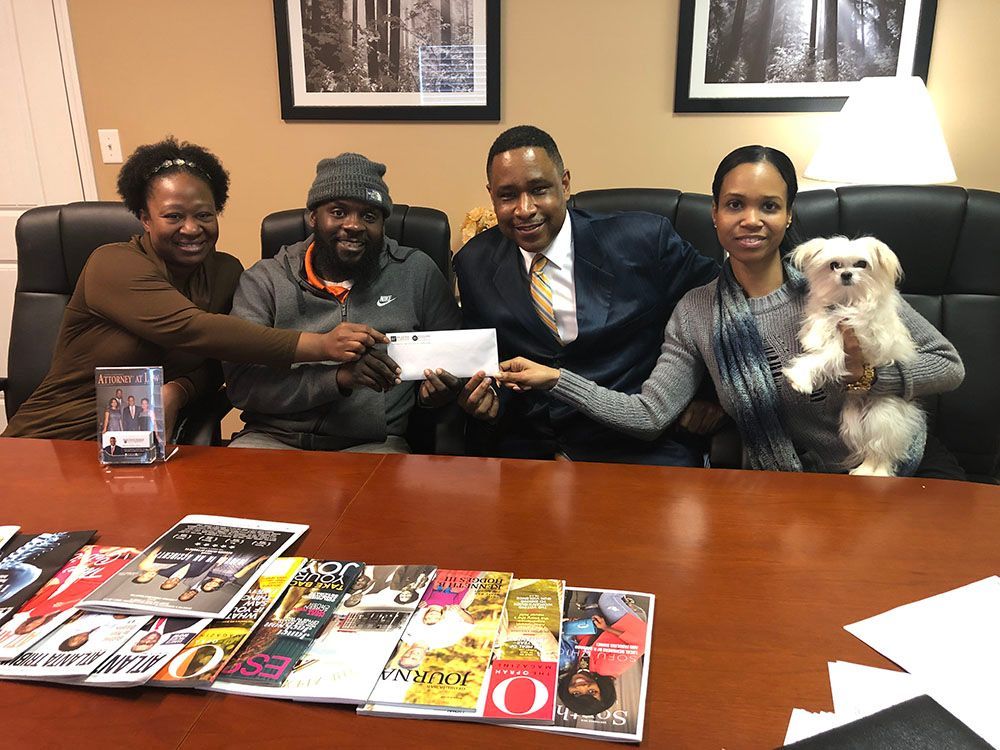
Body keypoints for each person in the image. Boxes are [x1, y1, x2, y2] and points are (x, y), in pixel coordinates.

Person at [498, 145, 966, 475]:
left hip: (907, 463)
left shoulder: (843, 279)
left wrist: (866, 378)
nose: (751, 220)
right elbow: (650, 414)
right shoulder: (698, 313)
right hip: (796, 485)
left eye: (769, 206)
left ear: (788, 215)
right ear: (715, 215)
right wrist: (557, 380)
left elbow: (949, 367)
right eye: (735, 205)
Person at [2, 137, 389, 443]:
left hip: (154, 447)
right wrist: (320, 345)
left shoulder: (225, 272)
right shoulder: (112, 264)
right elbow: (194, 330)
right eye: (174, 216)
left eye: (204, 215)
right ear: (144, 218)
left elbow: (222, 360)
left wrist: (179, 391)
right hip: (55, 442)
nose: (192, 228)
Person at [453, 125, 720, 465]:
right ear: (491, 195)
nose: (524, 209)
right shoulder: (474, 262)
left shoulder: (642, 241)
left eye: (539, 189)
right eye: (507, 196)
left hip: (637, 443)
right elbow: (489, 360)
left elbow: (721, 301)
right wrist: (488, 401)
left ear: (564, 184)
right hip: (530, 448)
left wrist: (711, 394)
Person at [224, 152, 461, 452]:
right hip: (271, 439)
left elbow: (454, 365)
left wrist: (437, 394)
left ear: (383, 224)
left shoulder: (416, 272)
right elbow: (241, 385)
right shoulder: (265, 280)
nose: (354, 225)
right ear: (313, 217)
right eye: (338, 212)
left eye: (369, 216)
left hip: (372, 445)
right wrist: (337, 378)